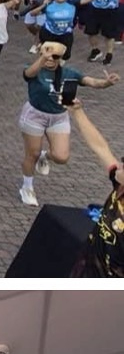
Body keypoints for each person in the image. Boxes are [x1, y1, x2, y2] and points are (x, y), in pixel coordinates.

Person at [18, 44, 117, 207]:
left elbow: (91, 82)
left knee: (61, 156)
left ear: (61, 58)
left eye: (55, 57)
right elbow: (28, 74)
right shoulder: (35, 70)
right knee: (32, 153)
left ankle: (45, 156)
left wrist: (107, 82)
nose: (50, 59)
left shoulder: (69, 73)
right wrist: (43, 58)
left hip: (59, 116)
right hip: (35, 115)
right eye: (46, 55)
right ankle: (27, 187)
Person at [68, 102, 124, 276]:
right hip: (86, 268)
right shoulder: (120, 186)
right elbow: (100, 147)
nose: (119, 165)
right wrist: (77, 112)